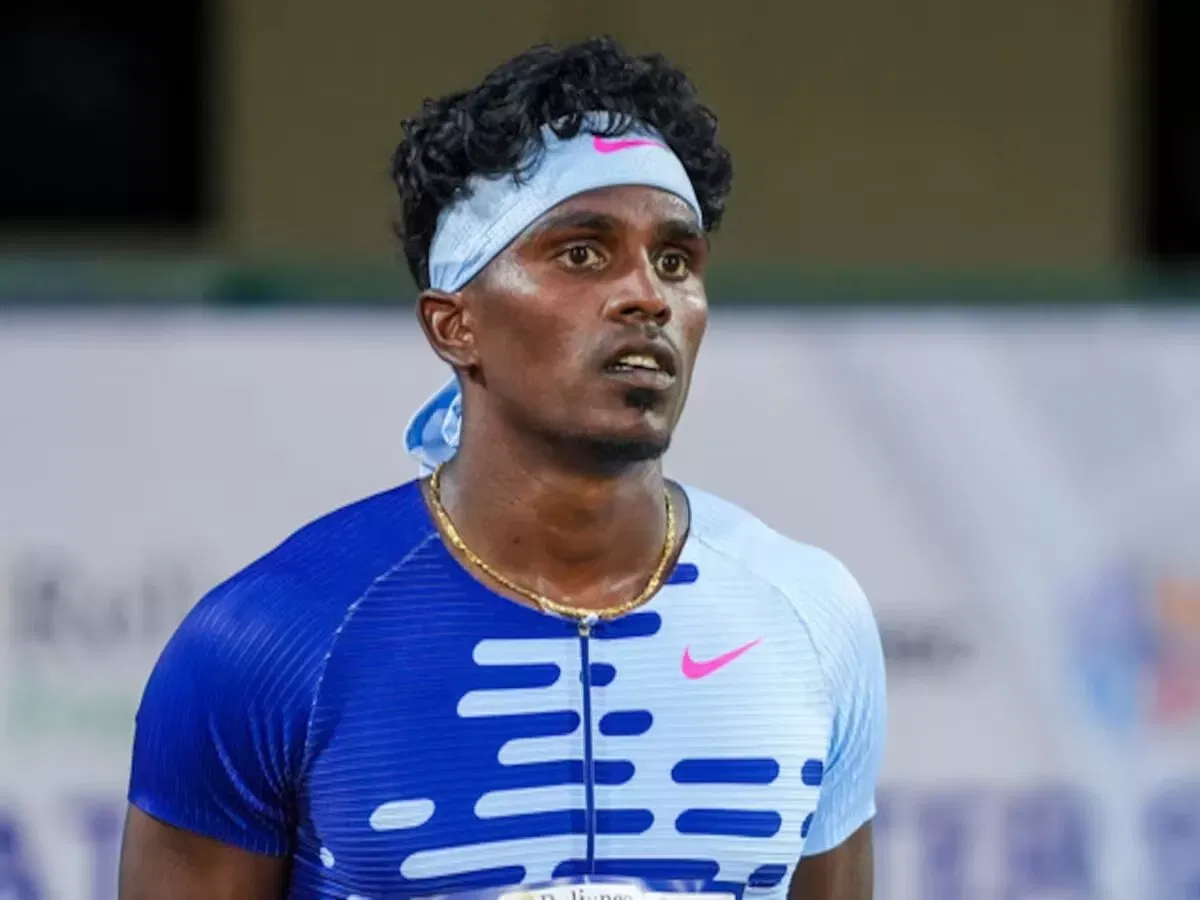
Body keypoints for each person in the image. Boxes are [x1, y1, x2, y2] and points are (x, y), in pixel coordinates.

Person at [118, 35, 886, 900]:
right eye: (582, 253)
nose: (647, 296)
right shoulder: (266, 642)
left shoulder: (812, 618)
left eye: (674, 261)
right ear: (455, 326)